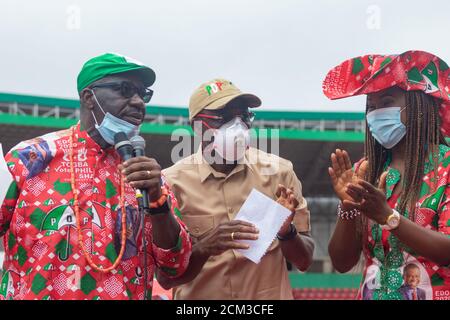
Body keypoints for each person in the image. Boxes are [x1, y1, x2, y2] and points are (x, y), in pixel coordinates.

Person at [0, 53, 192, 299]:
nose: (138, 102)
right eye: (125, 90)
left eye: (143, 94)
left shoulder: (148, 177)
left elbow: (175, 267)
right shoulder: (29, 158)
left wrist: (157, 202)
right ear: (89, 98)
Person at [158, 78, 314, 299]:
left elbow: (305, 260)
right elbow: (165, 277)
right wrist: (203, 248)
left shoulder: (279, 173)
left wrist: (286, 232)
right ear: (197, 126)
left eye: (244, 117)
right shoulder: (171, 183)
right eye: (224, 117)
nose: (238, 126)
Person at [324, 50, 450, 300]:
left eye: (386, 103)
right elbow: (342, 262)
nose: (376, 114)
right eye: (371, 107)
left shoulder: (446, 166)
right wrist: (348, 205)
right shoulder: (366, 170)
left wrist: (388, 217)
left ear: (418, 107)